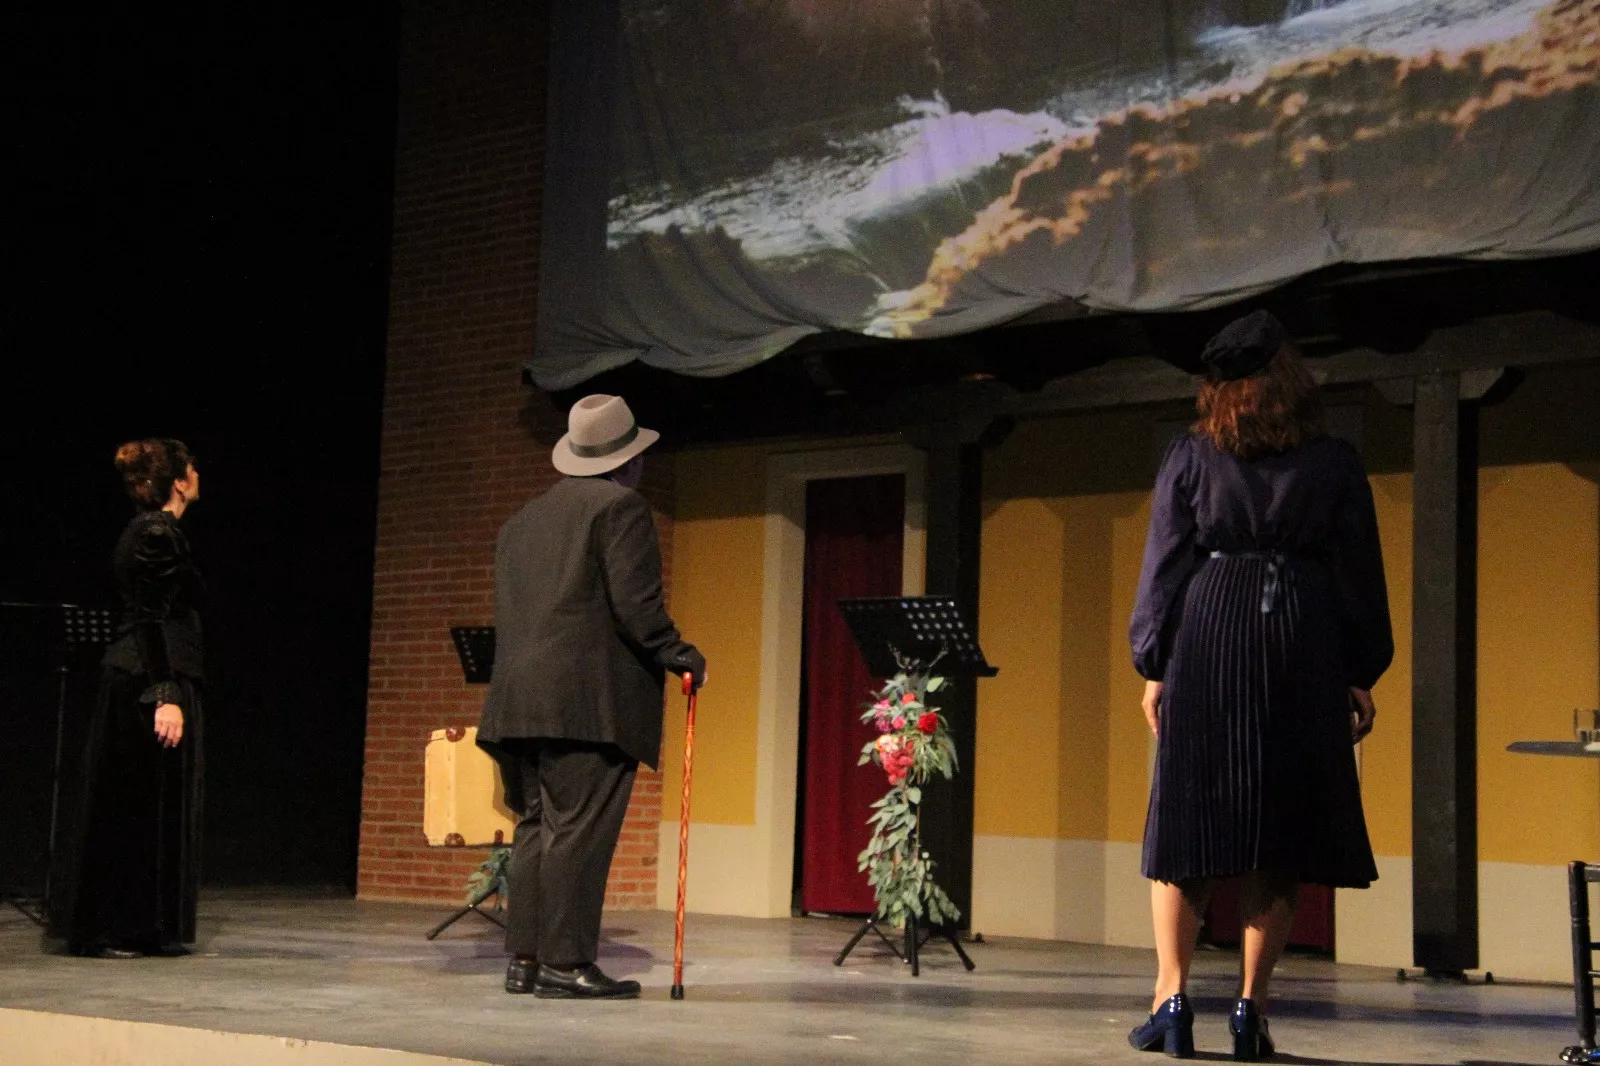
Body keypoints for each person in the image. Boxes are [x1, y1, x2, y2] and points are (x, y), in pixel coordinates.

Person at [1126, 311, 1392, 1060]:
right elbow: (1357, 572)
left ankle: (1172, 1000)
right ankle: (1250, 1012)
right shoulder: (1334, 461)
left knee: (1187, 826)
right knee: (1280, 830)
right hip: (1300, 633)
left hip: (1210, 628)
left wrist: (1153, 663)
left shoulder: (1190, 455)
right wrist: (1360, 670)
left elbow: (1166, 564)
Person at [478, 394, 706, 1000]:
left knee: (535, 827)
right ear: (627, 462)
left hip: (518, 703)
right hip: (585, 704)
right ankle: (565, 962)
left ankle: (526, 959)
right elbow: (636, 607)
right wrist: (677, 653)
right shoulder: (621, 508)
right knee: (577, 832)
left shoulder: (521, 521)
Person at [53, 439, 206, 958]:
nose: (197, 474)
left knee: (146, 805)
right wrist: (164, 694)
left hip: (146, 676)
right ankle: (110, 925)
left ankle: (140, 924)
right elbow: (149, 617)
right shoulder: (158, 534)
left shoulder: (156, 532)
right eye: (192, 467)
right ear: (180, 480)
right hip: (145, 680)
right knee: (131, 803)